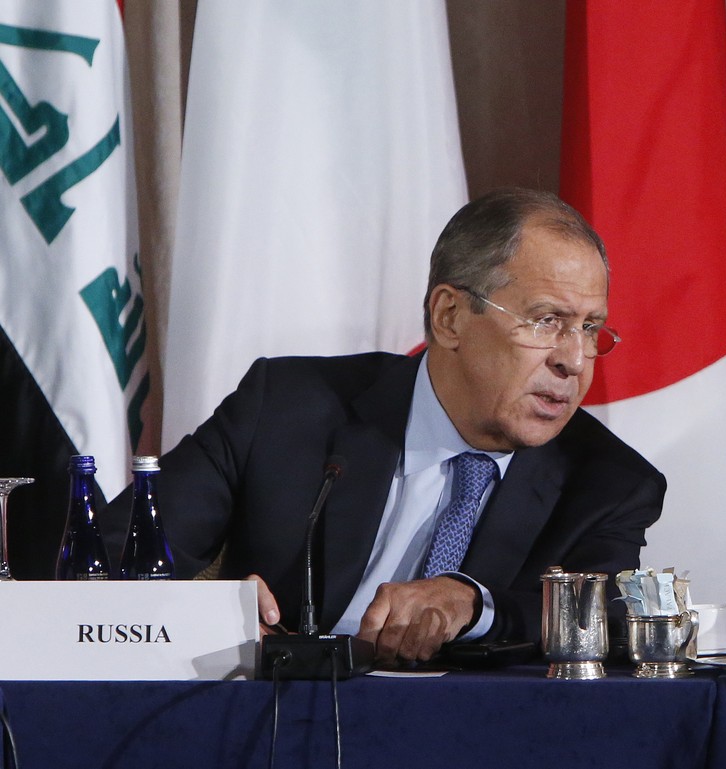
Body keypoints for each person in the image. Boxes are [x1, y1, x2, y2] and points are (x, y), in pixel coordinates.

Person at [106, 189, 665, 665]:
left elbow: (605, 612)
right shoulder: (285, 409)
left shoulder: (611, 482)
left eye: (591, 328)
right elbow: (107, 561)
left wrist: (472, 604)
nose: (575, 360)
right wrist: (207, 614)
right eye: (547, 321)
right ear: (449, 317)